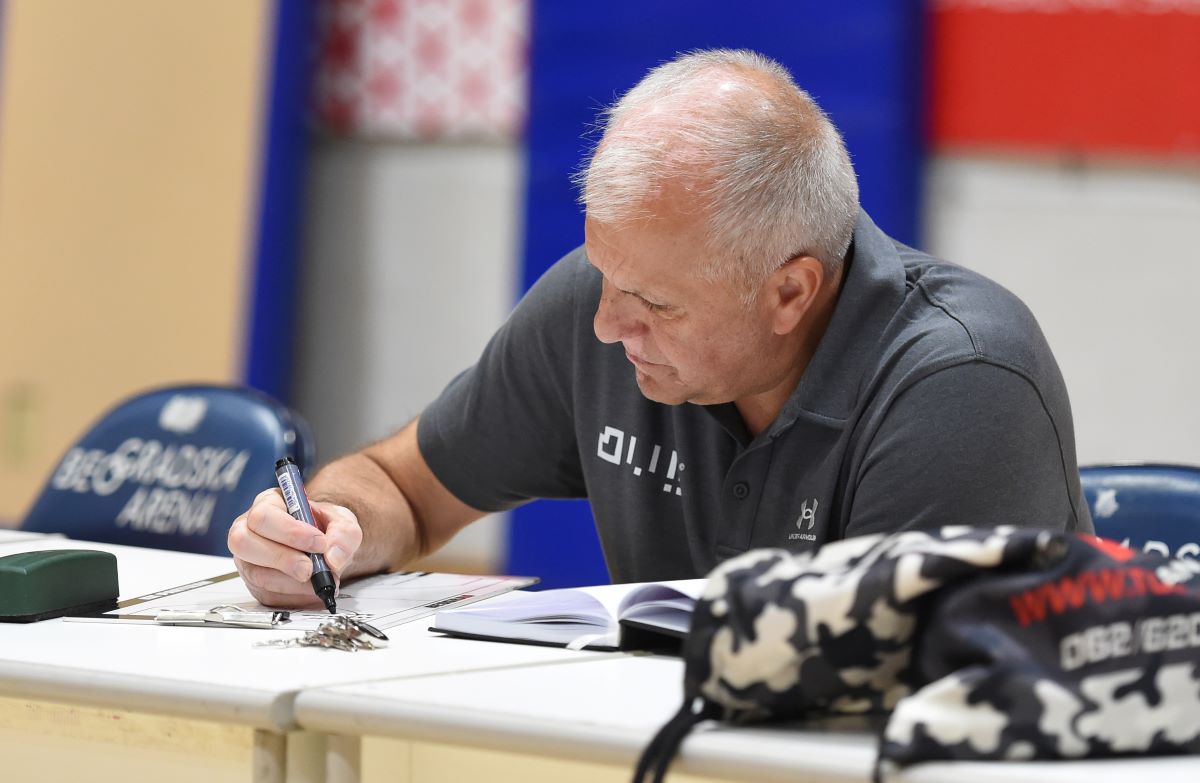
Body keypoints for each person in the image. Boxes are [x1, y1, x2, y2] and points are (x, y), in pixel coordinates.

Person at [230, 49, 1093, 608]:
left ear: (790, 291)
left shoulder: (961, 382)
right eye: (606, 278)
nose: (609, 325)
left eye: (655, 304)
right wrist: (332, 523)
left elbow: (885, 697)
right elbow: (407, 488)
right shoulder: (597, 303)